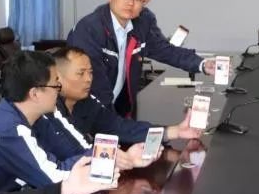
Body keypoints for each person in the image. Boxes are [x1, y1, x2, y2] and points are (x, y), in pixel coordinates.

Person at [0, 51, 154, 193]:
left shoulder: (38, 110)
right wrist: (106, 159)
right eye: (55, 85)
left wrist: (117, 157)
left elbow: (79, 149)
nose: (59, 90)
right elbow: (54, 177)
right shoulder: (9, 129)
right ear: (35, 93)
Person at [67, 0, 215, 117]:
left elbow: (165, 50)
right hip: (84, 114)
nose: (130, 3)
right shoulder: (90, 29)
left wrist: (202, 64)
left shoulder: (141, 23)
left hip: (116, 109)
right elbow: (94, 84)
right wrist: (115, 124)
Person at [49, 46, 202, 144]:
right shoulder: (48, 111)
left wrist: (174, 131)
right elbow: (75, 150)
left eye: (90, 72)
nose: (88, 79)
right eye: (80, 73)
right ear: (57, 77)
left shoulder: (86, 101)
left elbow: (120, 128)